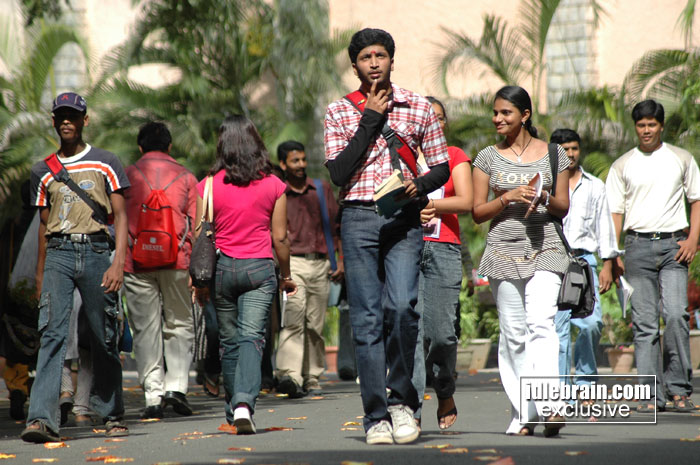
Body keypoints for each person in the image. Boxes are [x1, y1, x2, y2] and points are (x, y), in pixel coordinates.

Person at [324, 28, 450, 445]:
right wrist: (371, 119)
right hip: (358, 217)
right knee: (366, 319)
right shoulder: (339, 111)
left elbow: (441, 166)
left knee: (402, 307)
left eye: (380, 55)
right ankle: (375, 416)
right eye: (365, 57)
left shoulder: (418, 106)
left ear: (392, 60)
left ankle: (402, 403)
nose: (374, 63)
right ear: (355, 66)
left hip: (403, 217)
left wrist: (420, 184)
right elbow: (338, 172)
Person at [21, 92, 130, 442]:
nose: (67, 121)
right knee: (52, 335)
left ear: (85, 120)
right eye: (62, 116)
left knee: (103, 335)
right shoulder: (42, 171)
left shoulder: (106, 162)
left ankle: (111, 413)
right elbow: (43, 225)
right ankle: (41, 419)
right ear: (54, 122)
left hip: (97, 252)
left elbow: (121, 216)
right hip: (59, 254)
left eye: (74, 115)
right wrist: (40, 275)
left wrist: (118, 263)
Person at [471, 85, 569, 437]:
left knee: (541, 323)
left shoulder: (554, 153)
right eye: (495, 112)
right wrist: (507, 197)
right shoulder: (486, 157)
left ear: (524, 115)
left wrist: (544, 197)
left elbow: (563, 206)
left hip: (546, 248)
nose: (497, 119)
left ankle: (551, 406)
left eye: (505, 113)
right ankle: (525, 413)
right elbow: (477, 213)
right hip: (502, 250)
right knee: (513, 335)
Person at [193, 115, 297, 434]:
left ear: (222, 145)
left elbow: (199, 233)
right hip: (259, 269)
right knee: (252, 337)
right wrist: (286, 275)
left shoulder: (208, 185)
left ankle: (232, 411)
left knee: (229, 342)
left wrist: (198, 281)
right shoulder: (274, 185)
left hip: (222, 270)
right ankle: (243, 405)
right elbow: (280, 238)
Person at [606, 99, 699, 412]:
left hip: (674, 246)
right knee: (645, 323)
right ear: (635, 127)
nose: (646, 130)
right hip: (637, 248)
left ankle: (679, 389)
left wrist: (693, 239)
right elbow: (615, 213)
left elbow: (697, 200)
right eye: (641, 125)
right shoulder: (622, 165)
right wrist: (613, 255)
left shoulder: (681, 158)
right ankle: (650, 395)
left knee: (675, 315)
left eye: (652, 124)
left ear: (661, 126)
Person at [123, 121, 198, 419]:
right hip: (176, 260)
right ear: (169, 146)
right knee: (179, 323)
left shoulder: (128, 175)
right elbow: (197, 224)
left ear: (140, 146)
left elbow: (115, 217)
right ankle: (176, 387)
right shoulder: (186, 176)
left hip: (136, 261)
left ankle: (153, 396)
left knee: (145, 329)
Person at [412, 96, 472, 430]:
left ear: (445, 123)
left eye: (438, 117)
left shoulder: (454, 156)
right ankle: (411, 407)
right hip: (407, 247)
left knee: (441, 333)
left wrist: (433, 207)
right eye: (426, 117)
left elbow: (466, 200)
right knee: (412, 331)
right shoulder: (401, 158)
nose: (432, 123)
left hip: (443, 249)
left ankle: (444, 388)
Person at [550, 129, 618, 393]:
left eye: (574, 148)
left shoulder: (594, 185)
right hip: (553, 262)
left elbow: (605, 227)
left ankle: (586, 383)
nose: (570, 154)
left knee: (591, 324)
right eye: (564, 150)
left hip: (584, 262)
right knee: (559, 330)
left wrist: (608, 264)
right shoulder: (545, 184)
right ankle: (561, 393)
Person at [274, 140, 343, 398]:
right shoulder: (279, 192)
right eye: (295, 161)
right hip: (293, 263)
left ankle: (312, 376)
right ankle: (289, 376)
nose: (301, 164)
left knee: (315, 324)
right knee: (293, 319)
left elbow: (337, 227)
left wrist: (340, 261)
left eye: (303, 159)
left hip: (321, 263)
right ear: (283, 164)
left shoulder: (321, 189)